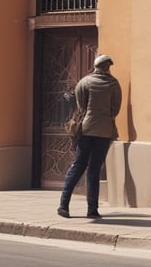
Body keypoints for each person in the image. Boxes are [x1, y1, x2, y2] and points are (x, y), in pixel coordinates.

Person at [57, 54, 122, 220]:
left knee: (78, 165)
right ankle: (92, 210)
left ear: (95, 66)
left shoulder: (84, 82)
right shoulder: (114, 84)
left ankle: (64, 205)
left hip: (85, 129)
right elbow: (115, 109)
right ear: (108, 67)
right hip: (104, 131)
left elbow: (80, 107)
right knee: (94, 170)